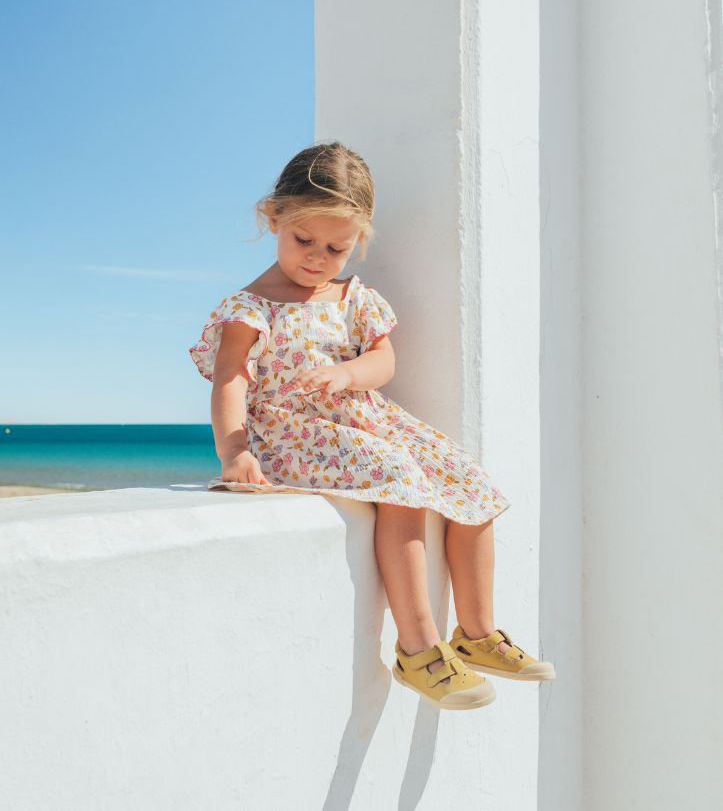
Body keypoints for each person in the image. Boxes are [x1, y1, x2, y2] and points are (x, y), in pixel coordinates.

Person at [189, 141, 555, 710]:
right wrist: (234, 452)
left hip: (362, 419)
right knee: (399, 480)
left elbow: (384, 361)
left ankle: (477, 632)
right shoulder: (252, 306)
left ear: (359, 239)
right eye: (303, 240)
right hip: (295, 434)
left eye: (336, 247)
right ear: (273, 219)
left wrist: (350, 372)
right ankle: (419, 649)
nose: (317, 257)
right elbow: (230, 380)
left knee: (470, 483)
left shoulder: (355, 299)